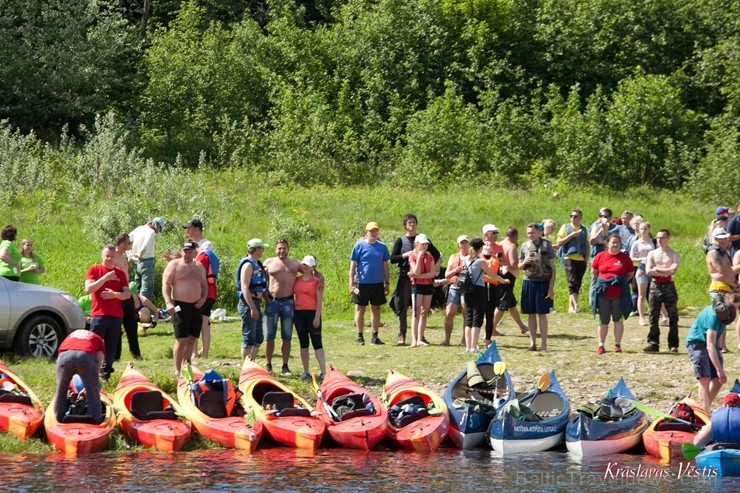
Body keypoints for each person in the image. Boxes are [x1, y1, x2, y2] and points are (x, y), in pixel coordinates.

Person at [389, 214, 440, 346]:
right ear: (405, 225)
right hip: (406, 273)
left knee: (422, 309)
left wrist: (433, 270)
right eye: (409, 222)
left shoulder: (424, 240)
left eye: (413, 222)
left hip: (423, 275)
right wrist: (406, 255)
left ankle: (420, 336)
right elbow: (393, 258)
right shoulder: (401, 240)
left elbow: (437, 255)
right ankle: (402, 334)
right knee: (402, 304)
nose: (411, 224)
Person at [162, 241, 208, 378]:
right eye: (185, 251)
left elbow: (205, 285)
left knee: (192, 338)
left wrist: (203, 299)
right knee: (181, 339)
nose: (187, 254)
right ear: (182, 251)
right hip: (180, 305)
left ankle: (186, 365)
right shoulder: (174, 265)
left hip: (196, 306)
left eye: (190, 252)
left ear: (194, 252)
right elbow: (165, 284)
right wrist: (168, 302)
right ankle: (176, 370)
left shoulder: (199, 267)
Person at [85, 244, 131, 381]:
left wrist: (115, 295)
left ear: (115, 257)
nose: (109, 259)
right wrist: (105, 278)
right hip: (99, 315)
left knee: (111, 347)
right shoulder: (94, 269)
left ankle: (106, 374)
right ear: (102, 256)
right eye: (107, 256)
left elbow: (127, 294)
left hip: (116, 315)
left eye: (112, 256)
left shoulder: (120, 273)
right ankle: (90, 372)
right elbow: (88, 289)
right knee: (94, 344)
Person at [686, 295, 737, 414]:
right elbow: (709, 345)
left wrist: (718, 361)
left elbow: (713, 344)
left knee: (718, 380)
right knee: (705, 378)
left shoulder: (725, 312)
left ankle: (703, 408)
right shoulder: (713, 318)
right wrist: (719, 370)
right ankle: (706, 412)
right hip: (697, 343)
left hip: (711, 345)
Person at [263, 239, 301, 375]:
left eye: (284, 248)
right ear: (275, 249)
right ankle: (268, 364)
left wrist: (319, 277)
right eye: (279, 248)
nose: (282, 251)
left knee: (287, 336)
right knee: (269, 336)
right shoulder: (268, 263)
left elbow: (309, 270)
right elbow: (258, 278)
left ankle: (285, 366)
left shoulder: (295, 264)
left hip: (288, 303)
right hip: (271, 302)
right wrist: (264, 296)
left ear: (288, 249)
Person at [464, 238, 509, 353]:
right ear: (480, 248)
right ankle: (474, 346)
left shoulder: (465, 259)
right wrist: (503, 281)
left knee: (469, 318)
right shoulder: (480, 262)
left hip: (467, 290)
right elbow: (492, 275)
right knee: (477, 319)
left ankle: (468, 346)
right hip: (478, 290)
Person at [349, 222, 391, 346]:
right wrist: (351, 282)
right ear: (366, 232)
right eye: (371, 231)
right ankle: (360, 336)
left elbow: (385, 266)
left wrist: (387, 282)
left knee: (376, 309)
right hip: (361, 283)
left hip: (377, 283)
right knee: (360, 309)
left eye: (375, 231)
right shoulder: (359, 246)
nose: (373, 233)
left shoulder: (382, 247)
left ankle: (375, 336)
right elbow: (353, 266)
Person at [591, 234, 634, 354]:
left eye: (617, 243)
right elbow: (594, 272)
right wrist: (605, 281)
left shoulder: (625, 258)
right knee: (603, 320)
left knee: (618, 320)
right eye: (613, 242)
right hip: (603, 294)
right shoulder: (600, 256)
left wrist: (620, 281)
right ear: (607, 243)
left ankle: (617, 344)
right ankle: (601, 345)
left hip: (619, 294)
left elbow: (630, 273)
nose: (615, 244)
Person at [53, 329, 106, 423]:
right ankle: (94, 419)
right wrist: (89, 387)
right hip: (85, 356)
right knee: (92, 392)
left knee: (61, 389)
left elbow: (61, 354)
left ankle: (59, 418)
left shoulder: (71, 336)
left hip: (64, 356)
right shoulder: (98, 340)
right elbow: (98, 363)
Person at [519, 223, 556, 351]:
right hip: (528, 282)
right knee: (530, 314)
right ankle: (532, 343)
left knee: (542, 314)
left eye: (533, 233)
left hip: (543, 282)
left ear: (539, 232)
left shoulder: (547, 245)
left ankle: (544, 344)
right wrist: (525, 261)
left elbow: (552, 268)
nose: (530, 235)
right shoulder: (524, 246)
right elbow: (519, 266)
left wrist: (551, 287)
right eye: (528, 233)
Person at [643, 229, 681, 352]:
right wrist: (665, 270)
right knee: (653, 315)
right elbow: (648, 271)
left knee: (673, 316)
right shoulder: (652, 254)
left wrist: (657, 269)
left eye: (662, 237)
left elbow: (673, 270)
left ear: (668, 238)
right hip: (655, 285)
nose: (659, 240)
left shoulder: (673, 254)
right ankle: (653, 343)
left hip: (669, 286)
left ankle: (673, 344)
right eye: (658, 237)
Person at [706, 227, 738, 354]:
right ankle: (718, 345)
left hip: (726, 286)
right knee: (721, 315)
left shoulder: (723, 252)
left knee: (726, 317)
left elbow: (729, 269)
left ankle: (722, 345)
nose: (724, 240)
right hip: (719, 286)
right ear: (716, 239)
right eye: (721, 238)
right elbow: (721, 272)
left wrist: (734, 283)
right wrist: (734, 284)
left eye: (725, 237)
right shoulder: (714, 253)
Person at [236, 238, 269, 361]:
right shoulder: (248, 265)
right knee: (249, 336)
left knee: (258, 337)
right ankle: (246, 365)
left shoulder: (257, 263)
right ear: (257, 249)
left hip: (256, 302)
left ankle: (252, 361)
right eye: (262, 248)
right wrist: (252, 308)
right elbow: (244, 287)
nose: (263, 251)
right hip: (248, 303)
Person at [293, 255, 326, 380]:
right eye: (304, 264)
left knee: (317, 343)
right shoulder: (297, 279)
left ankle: (323, 371)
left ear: (313, 267)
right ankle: (305, 370)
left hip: (312, 313)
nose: (305, 267)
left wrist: (317, 317)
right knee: (303, 343)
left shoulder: (317, 281)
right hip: (299, 313)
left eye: (308, 265)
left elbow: (319, 301)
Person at [492, 228, 529, 334]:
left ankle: (522, 327)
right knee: (502, 304)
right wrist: (524, 262)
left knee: (511, 303)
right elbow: (513, 264)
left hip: (498, 273)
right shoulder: (511, 246)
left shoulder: (499, 244)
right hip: (508, 276)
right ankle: (491, 329)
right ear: (515, 236)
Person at [555, 209, 589, 313]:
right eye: (571, 216)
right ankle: (576, 305)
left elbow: (587, 245)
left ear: (580, 218)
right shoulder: (565, 227)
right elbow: (559, 242)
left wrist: (586, 260)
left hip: (581, 259)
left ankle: (571, 306)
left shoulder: (584, 229)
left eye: (575, 216)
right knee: (572, 282)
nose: (573, 218)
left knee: (577, 283)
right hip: (568, 258)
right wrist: (571, 235)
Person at [113, 233, 141, 360]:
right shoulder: (113, 255)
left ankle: (136, 354)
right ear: (122, 243)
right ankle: (116, 355)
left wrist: (129, 260)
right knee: (117, 326)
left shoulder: (124, 254)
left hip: (127, 292)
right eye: (129, 243)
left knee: (132, 324)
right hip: (118, 294)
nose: (130, 245)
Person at [408, 234, 438, 347]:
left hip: (428, 286)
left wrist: (418, 276)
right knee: (416, 313)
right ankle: (414, 340)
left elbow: (432, 273)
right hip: (417, 286)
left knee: (424, 312)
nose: (425, 246)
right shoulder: (413, 256)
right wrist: (419, 257)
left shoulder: (430, 256)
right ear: (417, 244)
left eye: (426, 244)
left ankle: (420, 338)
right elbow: (415, 271)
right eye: (422, 244)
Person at [442, 235, 469, 346]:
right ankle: (447, 339)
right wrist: (455, 270)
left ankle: (465, 340)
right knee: (449, 313)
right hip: (454, 286)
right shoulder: (453, 257)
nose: (463, 245)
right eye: (461, 243)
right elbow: (447, 275)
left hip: (467, 288)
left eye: (465, 242)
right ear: (458, 245)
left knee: (466, 313)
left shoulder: (472, 257)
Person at [193, 241, 218, 360]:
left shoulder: (202, 257)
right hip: (212, 294)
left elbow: (197, 275)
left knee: (195, 323)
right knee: (205, 323)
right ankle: (205, 355)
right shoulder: (213, 257)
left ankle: (194, 354)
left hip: (202, 294)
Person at [129, 217, 164, 300]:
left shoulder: (139, 228)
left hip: (136, 262)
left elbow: (127, 238)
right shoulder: (151, 232)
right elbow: (145, 246)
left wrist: (130, 255)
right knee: (146, 288)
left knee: (137, 285)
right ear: (157, 225)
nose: (158, 231)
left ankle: (135, 307)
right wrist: (140, 255)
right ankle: (144, 308)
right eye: (159, 228)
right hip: (147, 261)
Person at [482, 224, 506, 342]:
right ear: (486, 234)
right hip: (481, 283)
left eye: (496, 233)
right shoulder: (480, 246)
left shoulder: (499, 247)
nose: (496, 235)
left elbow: (503, 262)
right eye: (493, 233)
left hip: (494, 281)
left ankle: (488, 336)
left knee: (491, 310)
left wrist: (500, 261)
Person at [629, 222, 655, 327]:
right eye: (641, 229)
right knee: (641, 294)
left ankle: (662, 316)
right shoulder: (636, 243)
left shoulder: (653, 242)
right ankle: (641, 317)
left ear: (649, 229)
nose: (643, 231)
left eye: (645, 228)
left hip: (653, 268)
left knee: (655, 293)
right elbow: (631, 258)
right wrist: (641, 259)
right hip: (642, 269)